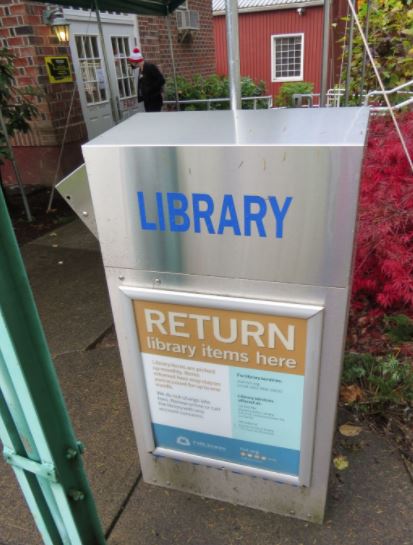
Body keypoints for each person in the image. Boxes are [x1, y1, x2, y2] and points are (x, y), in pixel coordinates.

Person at [127, 48, 165, 112]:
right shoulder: (140, 70)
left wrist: (149, 89)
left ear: (136, 61)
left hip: (154, 100)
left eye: (131, 62)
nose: (131, 64)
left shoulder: (150, 67)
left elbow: (161, 80)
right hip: (147, 100)